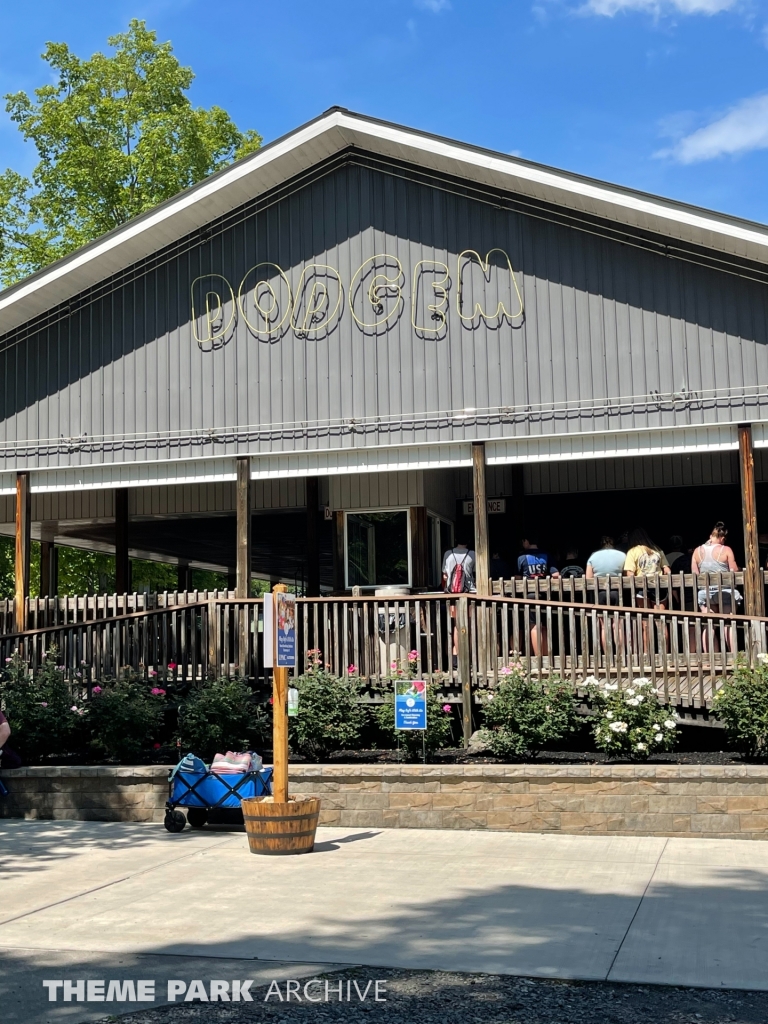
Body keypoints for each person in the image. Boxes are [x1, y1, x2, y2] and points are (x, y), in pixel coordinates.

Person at [692, 522, 740, 652]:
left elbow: (695, 573)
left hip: (706, 592)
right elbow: (733, 570)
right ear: (722, 538)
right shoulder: (726, 550)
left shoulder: (697, 551)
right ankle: (734, 656)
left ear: (710, 536)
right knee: (728, 623)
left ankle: (710, 657)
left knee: (709, 625)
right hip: (725, 591)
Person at [624, 527, 671, 653]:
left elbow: (630, 573)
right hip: (659, 587)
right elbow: (667, 570)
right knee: (661, 622)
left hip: (642, 589)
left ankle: (646, 654)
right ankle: (665, 653)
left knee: (646, 623)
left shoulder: (632, 551)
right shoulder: (657, 550)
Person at [517, 536, 559, 657]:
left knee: (534, 626)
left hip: (530, 594)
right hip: (545, 595)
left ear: (527, 541)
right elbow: (556, 575)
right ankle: (546, 657)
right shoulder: (546, 555)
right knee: (544, 627)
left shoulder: (521, 557)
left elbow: (517, 578)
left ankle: (538, 657)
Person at [586, 536, 627, 652]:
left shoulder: (593, 556)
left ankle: (607, 655)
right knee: (617, 625)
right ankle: (620, 654)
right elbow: (626, 574)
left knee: (604, 626)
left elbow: (588, 578)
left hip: (600, 593)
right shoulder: (622, 555)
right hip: (616, 592)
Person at [442, 537, 476, 662]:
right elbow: (475, 573)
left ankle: (458, 657)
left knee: (456, 625)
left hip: (453, 595)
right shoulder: (472, 554)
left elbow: (445, 576)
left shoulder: (448, 554)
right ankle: (468, 655)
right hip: (469, 593)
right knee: (469, 624)